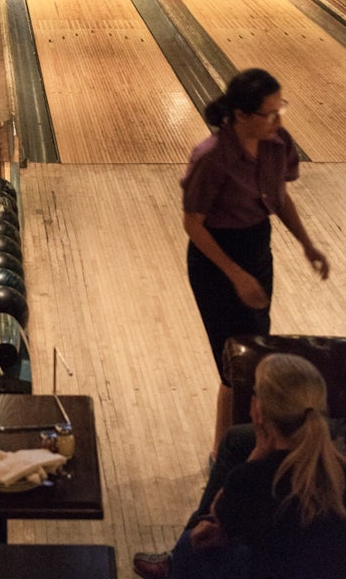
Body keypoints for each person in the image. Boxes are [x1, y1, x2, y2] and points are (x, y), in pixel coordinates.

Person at [181, 69, 329, 460]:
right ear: (242, 115)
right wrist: (236, 275)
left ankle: (233, 448)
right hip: (215, 260)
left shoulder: (277, 143)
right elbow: (193, 225)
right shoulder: (211, 158)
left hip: (255, 248)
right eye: (271, 112)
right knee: (233, 363)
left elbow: (278, 197)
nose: (279, 120)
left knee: (251, 354)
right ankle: (223, 454)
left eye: (281, 109)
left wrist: (307, 244)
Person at [134, 354, 346, 578]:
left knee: (192, 544)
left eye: (255, 392)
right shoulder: (337, 466)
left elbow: (221, 511)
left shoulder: (251, 478)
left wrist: (259, 452)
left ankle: (174, 564)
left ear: (259, 412)